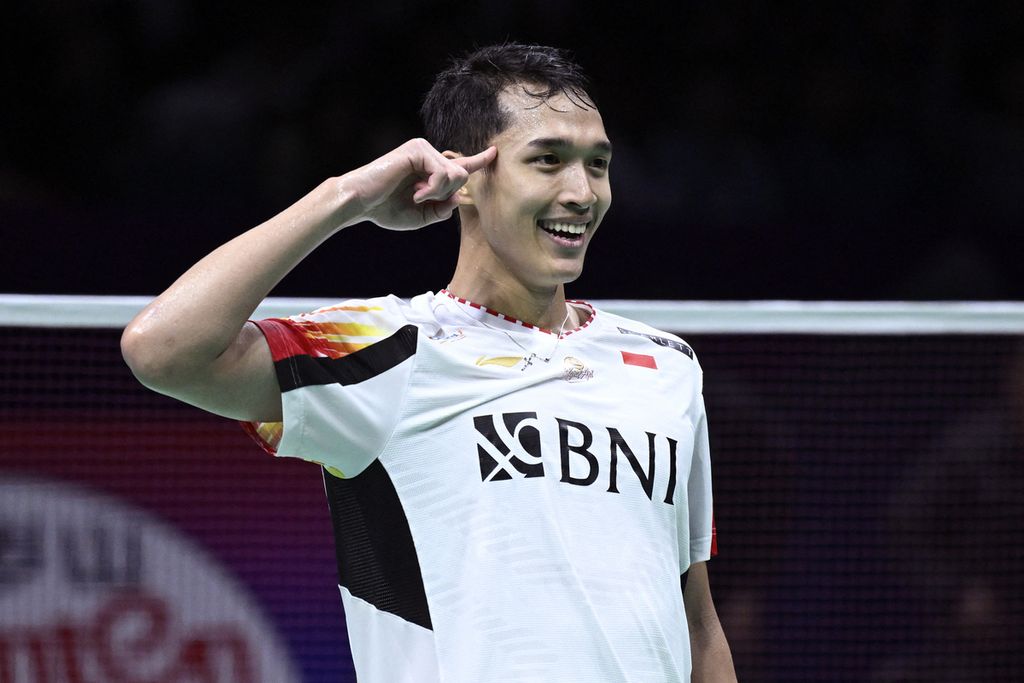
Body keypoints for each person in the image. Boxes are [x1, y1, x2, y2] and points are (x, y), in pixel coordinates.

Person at [122, 43, 736, 682]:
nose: (582, 193)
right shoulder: (393, 348)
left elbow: (695, 619)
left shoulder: (669, 366)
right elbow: (163, 350)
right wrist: (347, 197)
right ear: (465, 177)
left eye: (597, 164)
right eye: (548, 161)